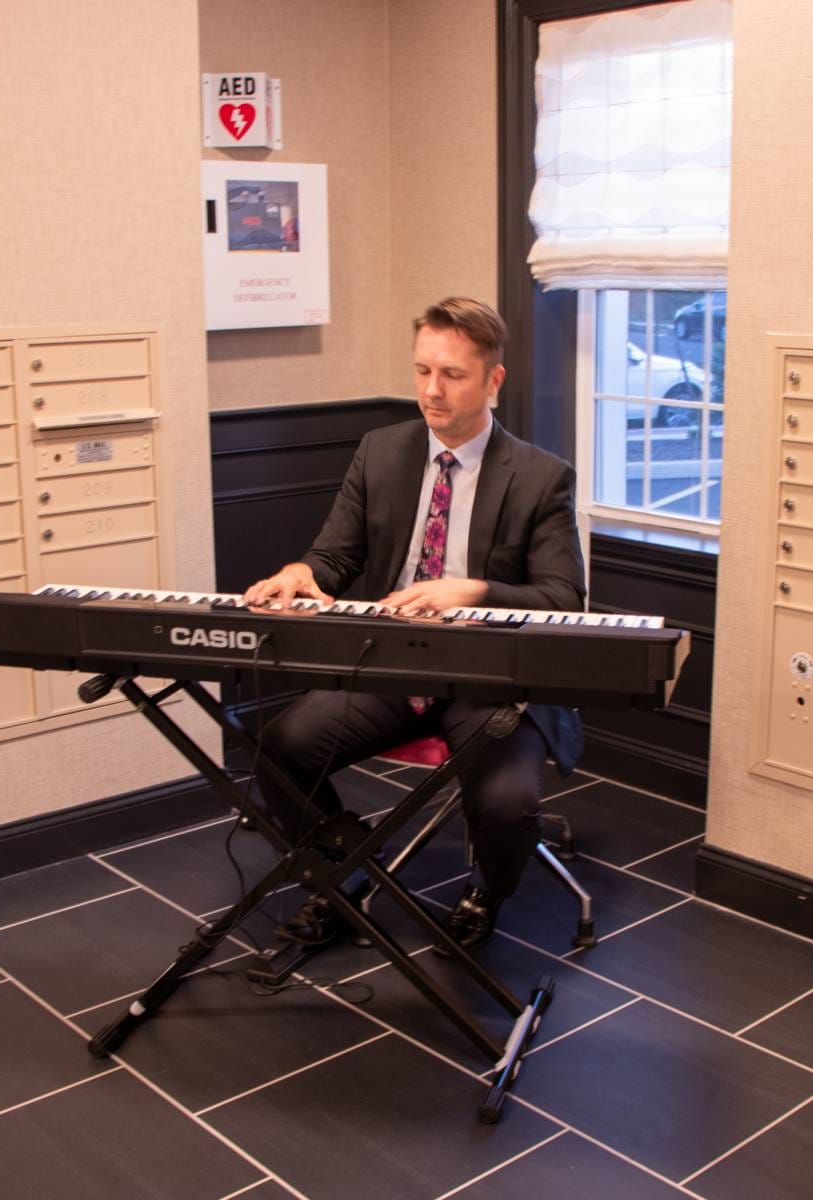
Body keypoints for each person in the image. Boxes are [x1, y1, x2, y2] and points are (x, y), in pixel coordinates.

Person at [242, 297, 585, 952]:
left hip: (491, 678)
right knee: (281, 747)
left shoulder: (541, 478)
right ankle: (340, 872)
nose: (431, 390)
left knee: (507, 803)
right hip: (395, 663)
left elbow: (564, 598)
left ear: (493, 380)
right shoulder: (382, 452)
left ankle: (487, 891)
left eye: (452, 374)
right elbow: (335, 556)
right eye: (423, 370)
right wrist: (302, 572)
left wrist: (473, 591)